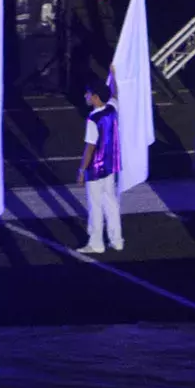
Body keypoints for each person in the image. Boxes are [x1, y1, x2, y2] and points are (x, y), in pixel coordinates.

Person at [77, 71, 124, 253]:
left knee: (95, 205)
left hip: (95, 168)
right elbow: (115, 94)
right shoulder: (112, 109)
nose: (85, 96)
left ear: (95, 97)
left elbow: (90, 147)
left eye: (88, 93)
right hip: (111, 165)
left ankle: (96, 243)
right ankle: (117, 239)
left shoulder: (93, 118)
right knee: (111, 202)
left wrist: (82, 170)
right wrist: (113, 75)